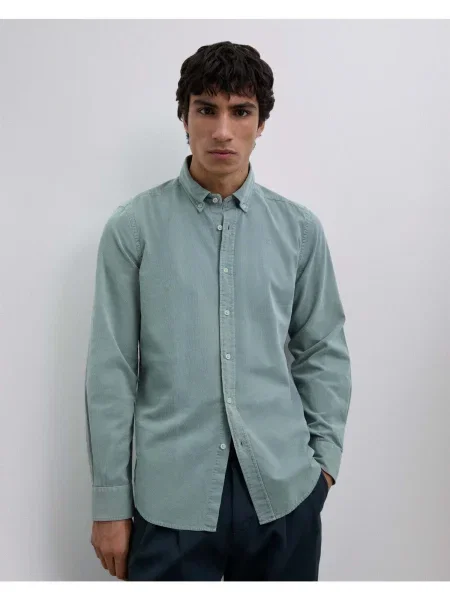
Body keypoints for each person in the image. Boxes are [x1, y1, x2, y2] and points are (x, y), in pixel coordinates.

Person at [84, 40, 352, 582]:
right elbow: (112, 369)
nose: (223, 130)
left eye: (241, 111)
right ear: (184, 118)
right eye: (206, 109)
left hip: (284, 494)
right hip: (170, 502)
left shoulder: (300, 230)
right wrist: (109, 503)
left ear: (261, 123)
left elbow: (322, 348)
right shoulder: (133, 228)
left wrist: (322, 466)